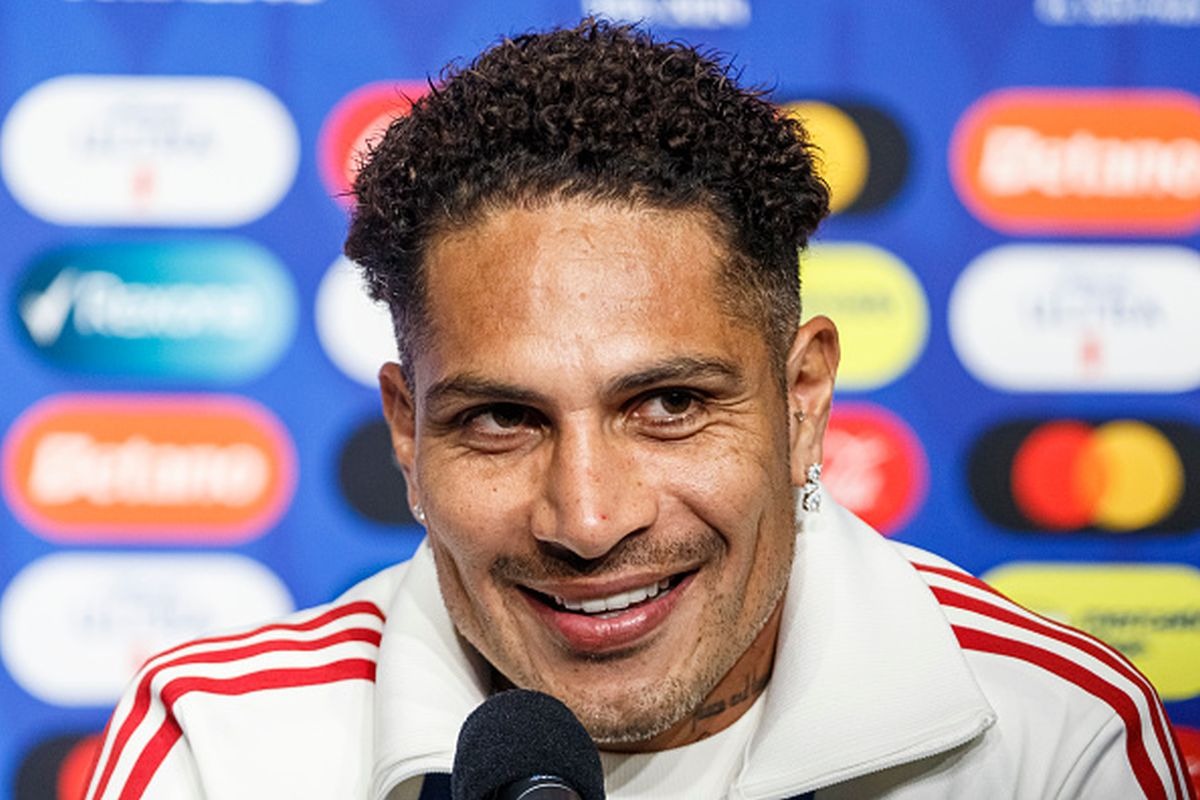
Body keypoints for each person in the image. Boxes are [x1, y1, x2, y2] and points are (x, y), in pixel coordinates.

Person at [85, 19, 1192, 800]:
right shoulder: (217, 750)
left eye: (667, 402)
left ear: (802, 401)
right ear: (408, 434)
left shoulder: (1061, 734)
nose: (588, 516)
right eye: (502, 419)